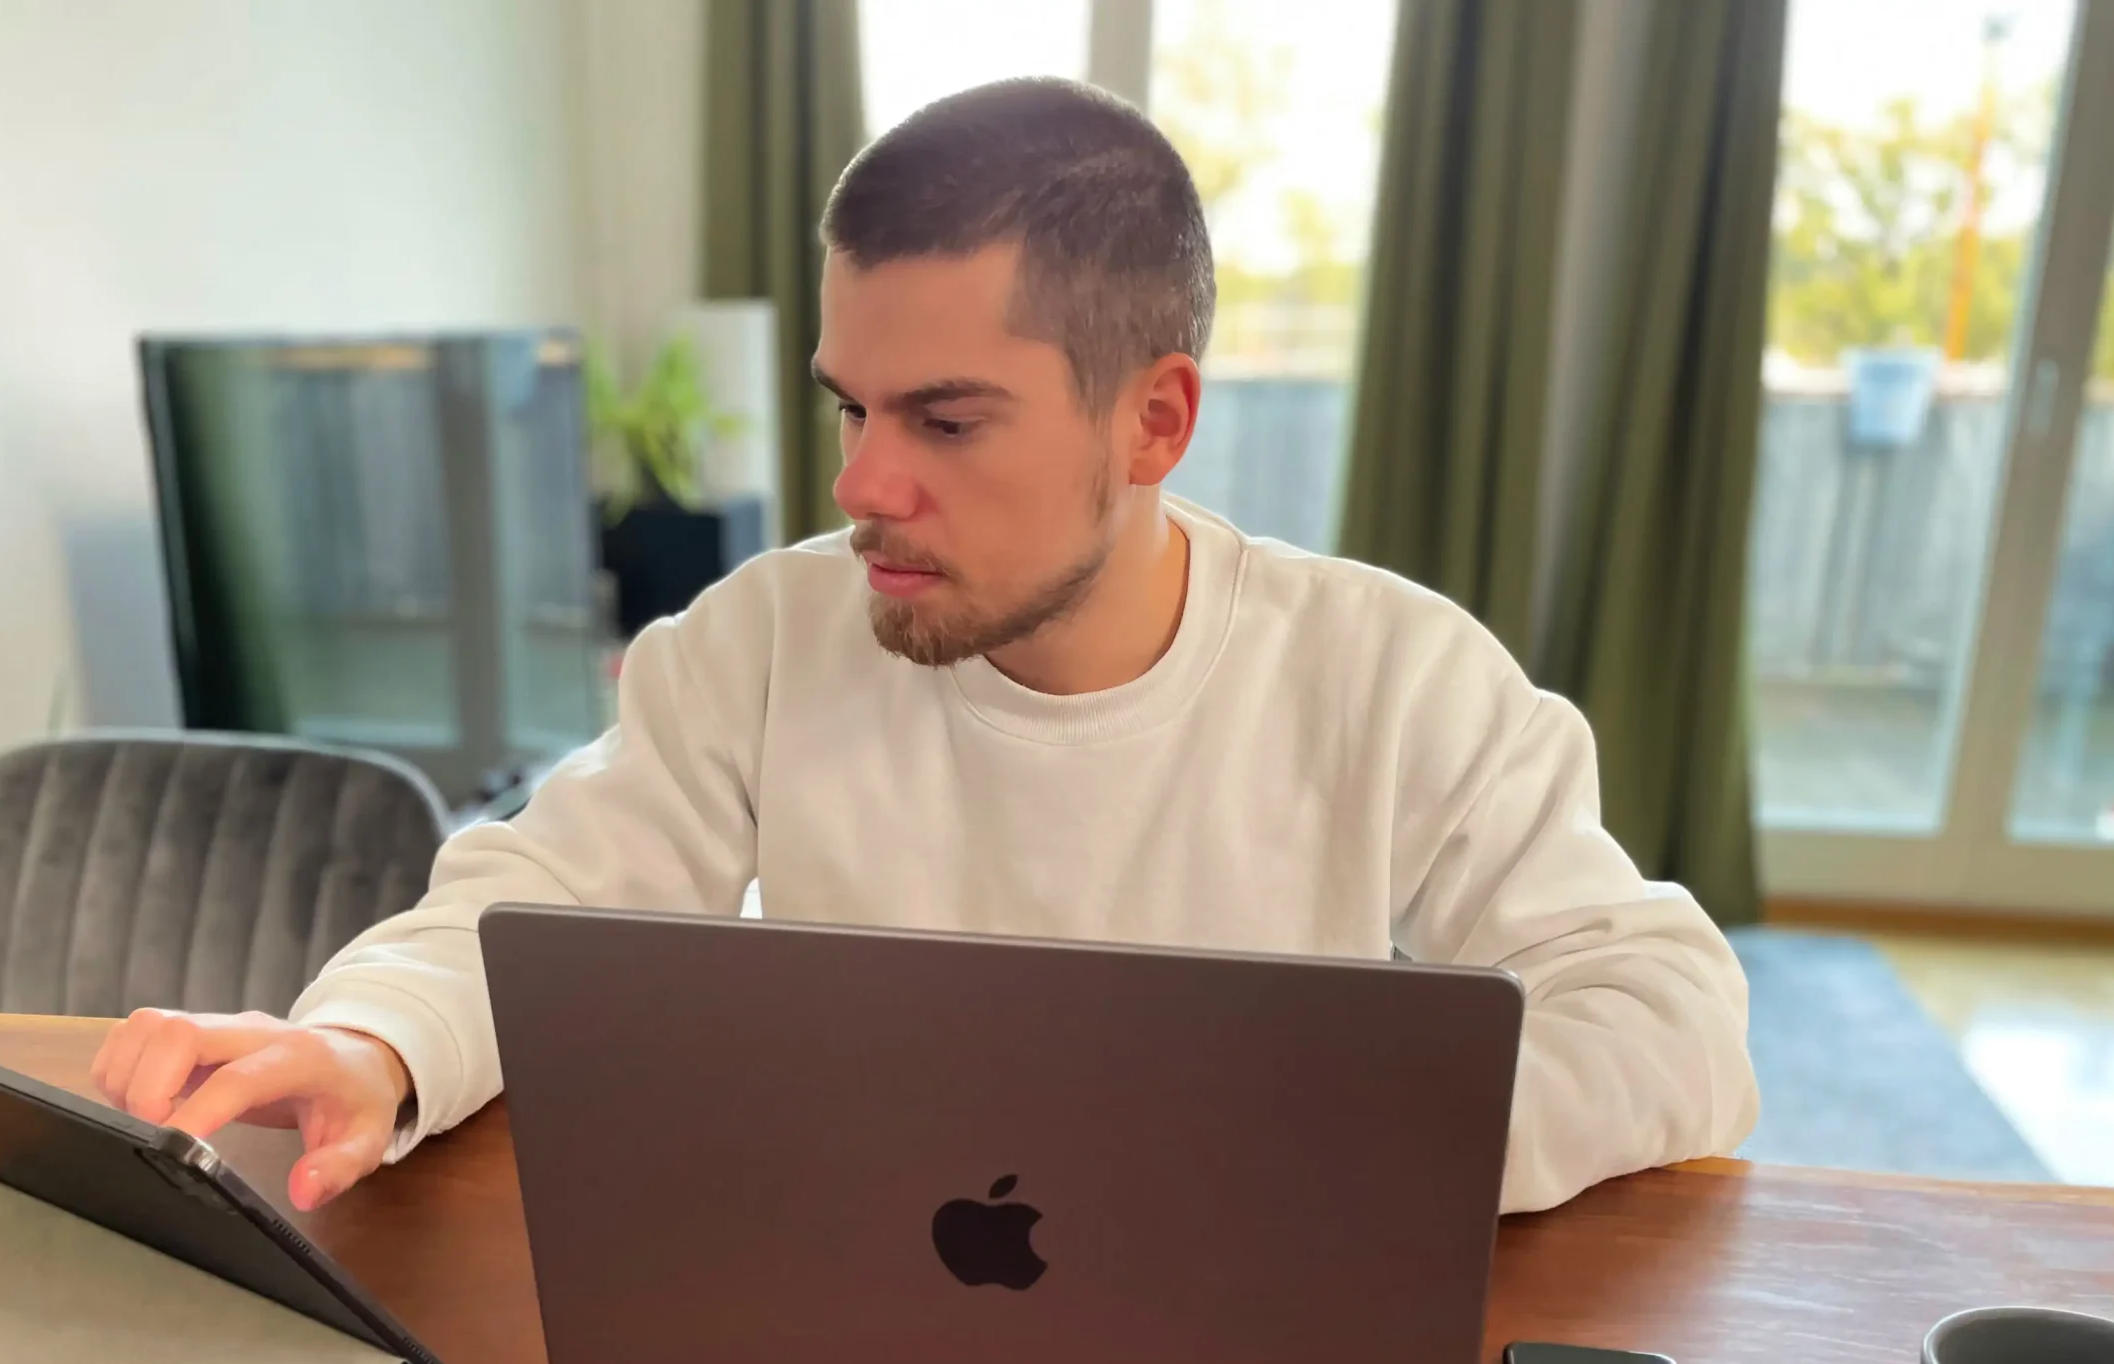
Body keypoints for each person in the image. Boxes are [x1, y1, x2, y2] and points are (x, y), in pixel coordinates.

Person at [90, 77, 1757, 1218]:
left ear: (1154, 417)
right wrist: (373, 1040)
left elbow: (1668, 1020)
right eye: (853, 407)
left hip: (1231, 1333)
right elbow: (539, 905)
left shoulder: (1395, 677)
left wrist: (1281, 1151)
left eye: (948, 418)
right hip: (869, 1311)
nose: (859, 484)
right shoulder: (766, 639)